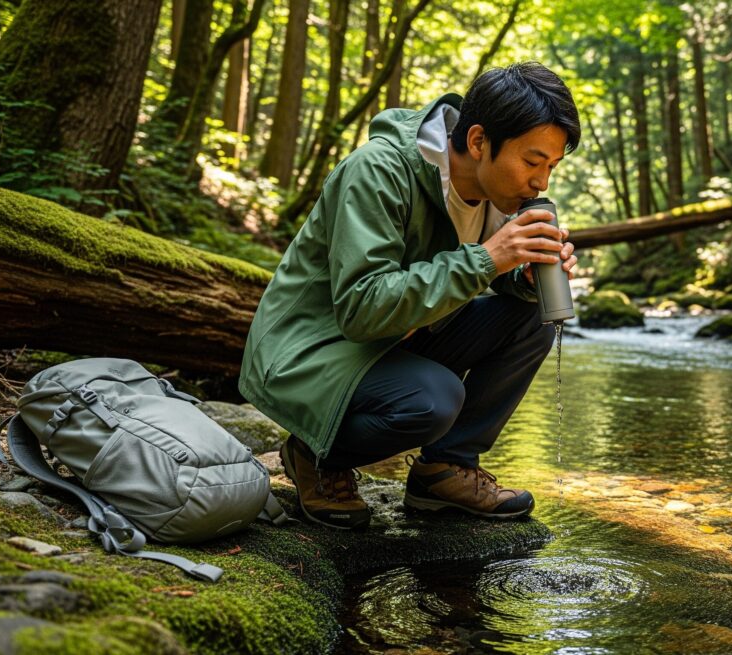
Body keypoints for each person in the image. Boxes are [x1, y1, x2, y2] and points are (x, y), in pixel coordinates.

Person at [239, 62, 581, 529]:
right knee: (435, 398)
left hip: (394, 339)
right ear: (479, 141)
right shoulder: (378, 171)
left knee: (534, 316)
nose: (541, 183)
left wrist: (521, 278)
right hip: (313, 350)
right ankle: (316, 454)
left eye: (551, 167)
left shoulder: (497, 195)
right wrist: (487, 259)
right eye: (532, 161)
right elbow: (363, 308)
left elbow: (484, 277)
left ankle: (443, 472)